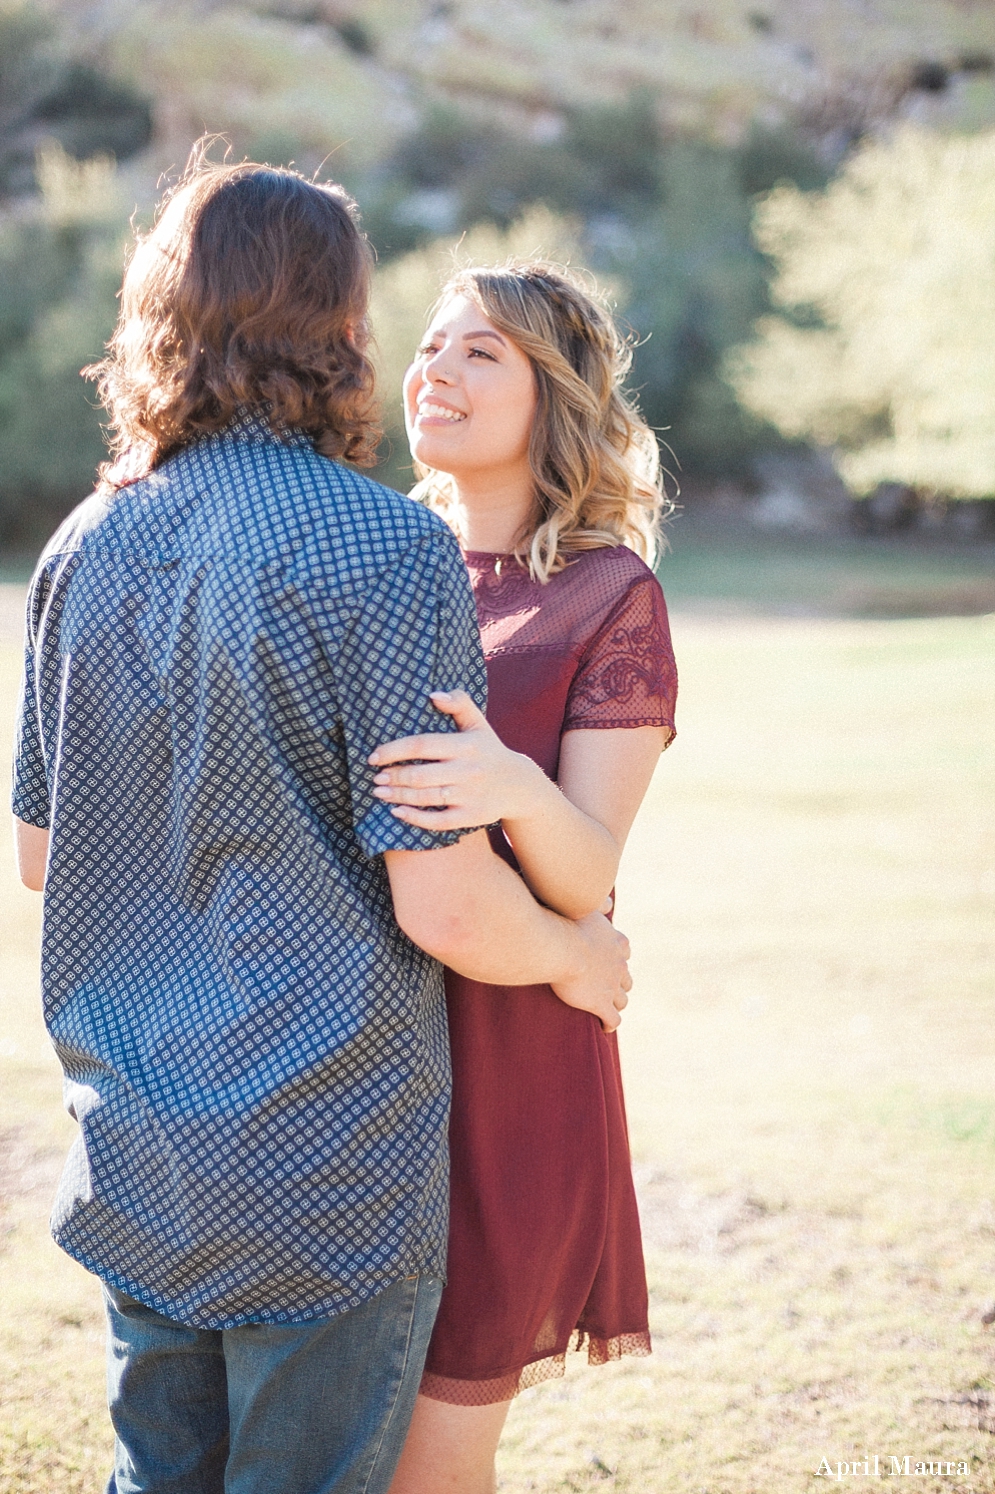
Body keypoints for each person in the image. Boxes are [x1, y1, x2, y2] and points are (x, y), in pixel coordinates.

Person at [10, 158, 632, 1494]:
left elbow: (45, 859)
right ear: (339, 325)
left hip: (134, 1143)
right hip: (322, 1159)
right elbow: (445, 905)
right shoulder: (383, 549)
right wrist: (579, 959)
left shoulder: (80, 542)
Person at [367, 264, 678, 1494]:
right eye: (429, 343)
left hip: (508, 1066)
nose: (432, 369)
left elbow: (587, 869)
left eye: (479, 351)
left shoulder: (608, 594)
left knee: (430, 1465)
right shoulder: (374, 560)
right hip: (343, 1061)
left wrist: (506, 784)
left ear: (554, 395)